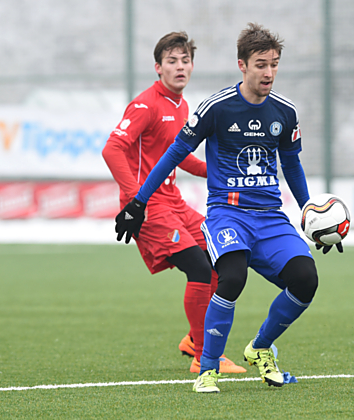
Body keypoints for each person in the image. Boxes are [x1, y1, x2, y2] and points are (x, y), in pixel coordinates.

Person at [115, 23, 343, 393]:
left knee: (306, 280)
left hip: (271, 217)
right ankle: (207, 369)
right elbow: (175, 152)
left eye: (274, 64)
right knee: (232, 277)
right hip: (228, 214)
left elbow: (292, 165)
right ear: (243, 65)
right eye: (260, 64)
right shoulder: (216, 108)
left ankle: (260, 348)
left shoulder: (284, 112)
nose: (268, 72)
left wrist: (309, 214)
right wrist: (138, 200)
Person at [102, 31, 245, 374]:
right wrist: (135, 200)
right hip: (149, 206)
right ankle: (203, 356)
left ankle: (195, 340)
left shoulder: (181, 106)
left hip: (175, 203)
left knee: (219, 259)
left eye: (185, 60)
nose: (180, 67)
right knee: (198, 268)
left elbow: (179, 158)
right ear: (158, 68)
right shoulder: (144, 105)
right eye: (172, 61)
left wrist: (223, 175)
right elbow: (112, 149)